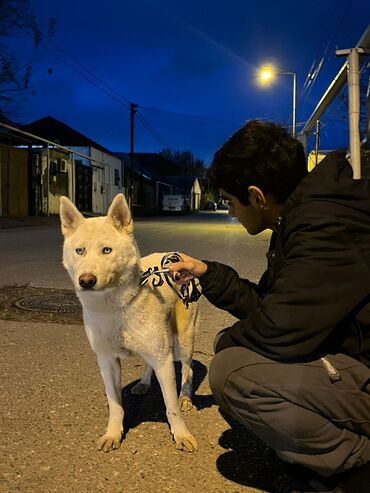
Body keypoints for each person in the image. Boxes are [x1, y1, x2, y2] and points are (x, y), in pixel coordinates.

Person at [168, 120, 370, 493]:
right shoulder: (303, 215)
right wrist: (208, 273)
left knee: (234, 375)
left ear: (258, 196)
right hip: (352, 352)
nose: (230, 212)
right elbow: (275, 307)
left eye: (230, 202)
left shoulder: (327, 224)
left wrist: (229, 342)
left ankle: (355, 466)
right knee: (236, 354)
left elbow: (279, 330)